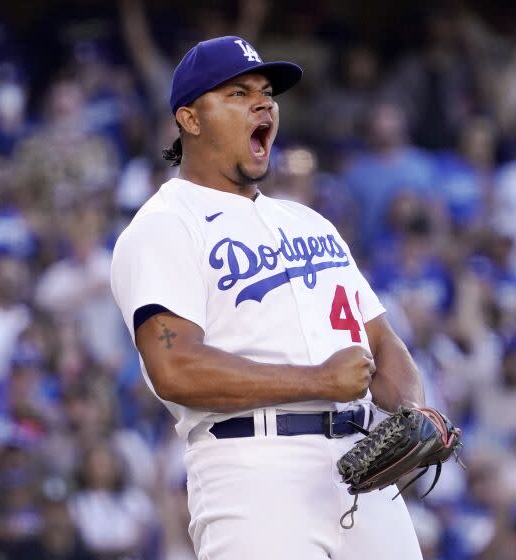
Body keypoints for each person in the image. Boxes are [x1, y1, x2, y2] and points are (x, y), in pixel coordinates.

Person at [110, 36, 426, 559]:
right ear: (190, 119)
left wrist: (411, 409)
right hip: (254, 471)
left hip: (362, 466)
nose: (263, 103)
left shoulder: (308, 219)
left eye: (266, 92)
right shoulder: (165, 226)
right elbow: (174, 366)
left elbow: (380, 336)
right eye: (238, 93)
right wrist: (319, 381)